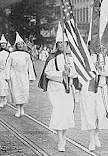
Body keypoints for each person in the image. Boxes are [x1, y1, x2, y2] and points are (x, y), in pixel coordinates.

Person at [38, 22, 81, 152]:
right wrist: (60, 73)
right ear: (57, 45)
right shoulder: (52, 59)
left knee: (66, 113)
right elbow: (47, 73)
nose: (62, 45)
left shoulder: (71, 58)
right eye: (60, 43)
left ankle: (64, 135)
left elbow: (76, 73)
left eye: (65, 43)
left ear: (68, 45)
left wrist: (70, 72)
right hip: (56, 88)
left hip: (67, 89)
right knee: (58, 111)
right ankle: (60, 138)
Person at [79, 43, 108, 151]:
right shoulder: (84, 57)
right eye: (93, 45)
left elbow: (107, 72)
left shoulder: (104, 57)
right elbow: (82, 71)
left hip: (100, 88)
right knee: (90, 113)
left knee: (101, 113)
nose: (96, 48)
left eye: (98, 45)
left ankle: (96, 134)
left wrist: (98, 70)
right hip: (88, 88)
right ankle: (91, 140)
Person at [5, 32, 36, 117]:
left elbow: (30, 66)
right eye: (18, 44)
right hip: (14, 75)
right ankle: (17, 109)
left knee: (24, 91)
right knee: (16, 91)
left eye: (21, 44)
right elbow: (8, 65)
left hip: (24, 75)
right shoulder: (11, 55)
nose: (20, 46)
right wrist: (7, 76)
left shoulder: (26, 55)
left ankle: (22, 108)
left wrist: (31, 77)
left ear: (24, 45)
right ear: (16, 45)